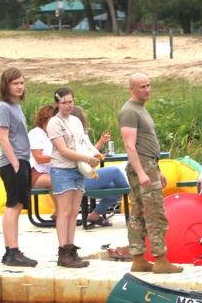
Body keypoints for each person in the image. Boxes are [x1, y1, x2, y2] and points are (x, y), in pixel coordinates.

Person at [119, 72, 182, 274]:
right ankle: (160, 259)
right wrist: (142, 172)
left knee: (138, 212)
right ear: (132, 89)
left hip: (149, 164)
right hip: (142, 166)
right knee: (154, 212)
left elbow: (145, 142)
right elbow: (130, 146)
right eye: (142, 87)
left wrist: (158, 169)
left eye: (148, 85)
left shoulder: (140, 109)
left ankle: (139, 259)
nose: (147, 89)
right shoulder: (130, 111)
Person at [46, 86, 100, 268]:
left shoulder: (76, 120)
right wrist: (88, 158)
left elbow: (84, 141)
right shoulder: (54, 122)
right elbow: (63, 150)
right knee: (64, 211)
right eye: (63, 103)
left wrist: (95, 153)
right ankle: (63, 251)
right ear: (57, 104)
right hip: (62, 170)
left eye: (70, 102)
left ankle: (71, 250)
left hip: (78, 169)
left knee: (74, 212)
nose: (67, 106)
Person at [0, 67, 38, 268]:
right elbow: (3, 138)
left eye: (22, 82)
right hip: (13, 161)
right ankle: (11, 252)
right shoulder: (3, 107)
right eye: (15, 83)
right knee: (13, 205)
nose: (20, 86)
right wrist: (15, 164)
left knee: (18, 205)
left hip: (22, 160)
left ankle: (13, 250)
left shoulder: (16, 106)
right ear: (6, 85)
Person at [69, 105, 128, 227]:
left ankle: (95, 215)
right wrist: (92, 157)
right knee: (115, 171)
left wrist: (100, 143)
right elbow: (82, 155)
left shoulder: (79, 135)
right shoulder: (71, 136)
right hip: (81, 178)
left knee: (115, 193)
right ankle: (136, 199)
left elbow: (87, 153)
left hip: (85, 175)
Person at [28, 104, 55, 190]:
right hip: (35, 173)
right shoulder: (36, 133)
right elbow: (39, 159)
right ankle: (60, 204)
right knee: (57, 182)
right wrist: (59, 157)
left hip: (51, 172)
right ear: (45, 119)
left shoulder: (53, 136)